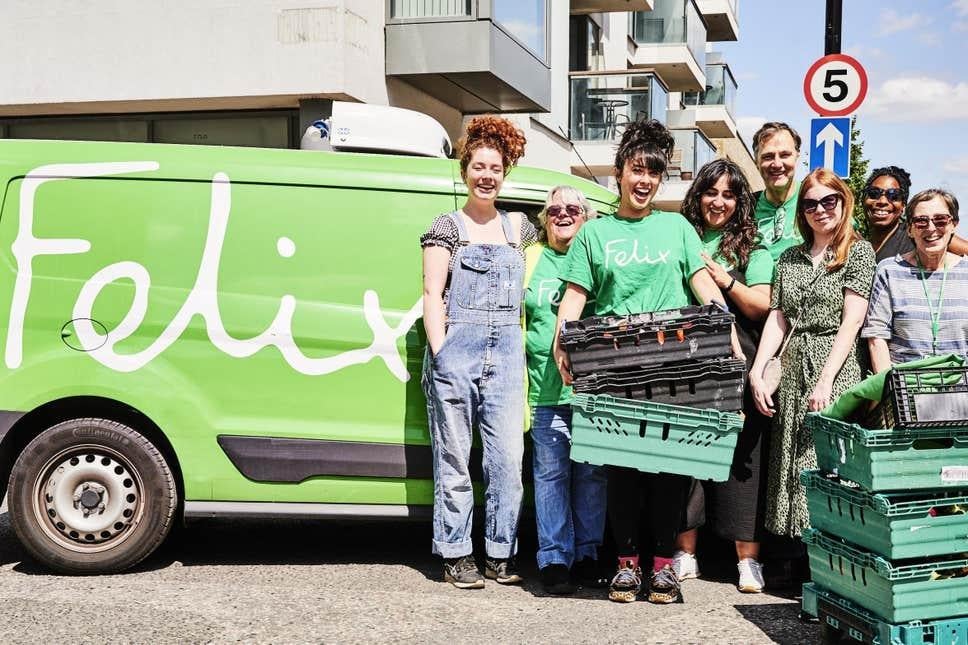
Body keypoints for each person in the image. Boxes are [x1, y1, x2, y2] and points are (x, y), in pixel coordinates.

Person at [552, 119, 742, 605]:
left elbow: (701, 283)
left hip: (675, 361)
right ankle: (626, 565)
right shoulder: (595, 234)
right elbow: (575, 296)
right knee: (623, 471)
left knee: (669, 469)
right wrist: (562, 341)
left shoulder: (675, 226)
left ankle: (663, 567)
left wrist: (725, 332)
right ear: (619, 172)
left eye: (654, 174)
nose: (644, 181)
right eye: (637, 170)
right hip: (616, 364)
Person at [420, 115, 535, 589]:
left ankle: (499, 552)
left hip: (507, 356)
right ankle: (455, 552)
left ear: (505, 173)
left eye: (496, 168)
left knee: (507, 461)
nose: (487, 176)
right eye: (479, 167)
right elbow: (431, 294)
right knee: (454, 460)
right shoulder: (447, 226)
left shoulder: (520, 229)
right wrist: (443, 353)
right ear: (465, 170)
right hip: (457, 352)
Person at [749, 168, 876, 538]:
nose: (820, 209)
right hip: (793, 364)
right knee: (791, 457)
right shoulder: (789, 258)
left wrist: (825, 380)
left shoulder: (858, 251)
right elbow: (778, 318)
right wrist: (758, 371)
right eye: (809, 204)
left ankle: (832, 553)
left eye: (828, 200)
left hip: (835, 364)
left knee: (826, 458)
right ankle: (801, 555)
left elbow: (851, 322)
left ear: (843, 202)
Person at [674, 159, 774, 593]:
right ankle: (685, 553)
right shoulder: (681, 236)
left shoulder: (755, 247)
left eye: (729, 195)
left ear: (740, 202)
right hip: (686, 358)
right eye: (711, 192)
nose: (718, 202)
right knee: (686, 454)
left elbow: (762, 306)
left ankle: (747, 562)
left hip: (741, 356)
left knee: (742, 458)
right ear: (698, 195)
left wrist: (725, 280)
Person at [524, 186, 607, 595]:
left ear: (587, 217)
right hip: (543, 387)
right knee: (550, 475)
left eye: (573, 208)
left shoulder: (597, 256)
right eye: (554, 208)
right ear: (545, 217)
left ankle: (588, 554)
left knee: (591, 475)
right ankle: (555, 558)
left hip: (592, 388)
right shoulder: (532, 258)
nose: (563, 214)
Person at [863, 188, 968, 371]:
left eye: (940, 220)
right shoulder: (890, 271)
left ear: (953, 224)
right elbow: (877, 335)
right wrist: (889, 388)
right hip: (906, 389)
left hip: (960, 390)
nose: (931, 228)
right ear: (910, 229)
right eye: (921, 221)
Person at [863, 166, 968, 263]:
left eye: (894, 196)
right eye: (874, 193)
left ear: (903, 205)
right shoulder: (857, 239)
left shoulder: (917, 232)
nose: (882, 201)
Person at [751, 122, 804, 261]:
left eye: (784, 155)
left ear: (797, 156)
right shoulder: (745, 209)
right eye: (768, 156)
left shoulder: (818, 201)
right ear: (756, 161)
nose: (777, 164)